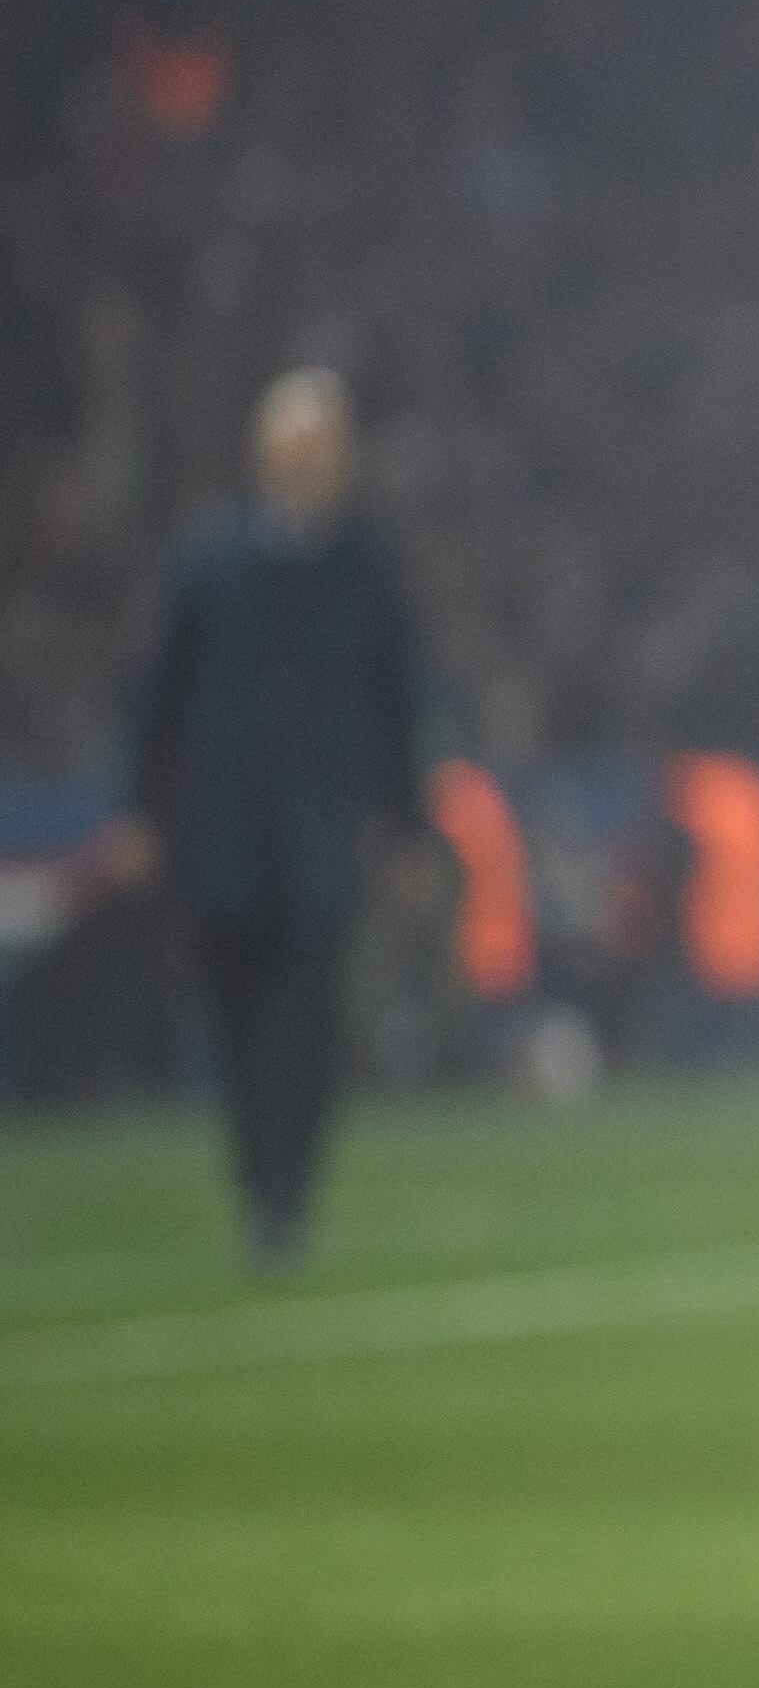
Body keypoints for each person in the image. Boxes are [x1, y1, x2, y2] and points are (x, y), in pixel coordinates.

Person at [124, 366, 425, 1272]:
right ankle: (259, 1181)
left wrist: (406, 826)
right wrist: (140, 811)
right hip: (224, 834)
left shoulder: (367, 565)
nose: (306, 458)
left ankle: (285, 1197)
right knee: (233, 1013)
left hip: (321, 834)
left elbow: (397, 706)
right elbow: (158, 693)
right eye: (293, 441)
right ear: (263, 451)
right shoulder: (211, 558)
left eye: (321, 442)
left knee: (307, 1016)